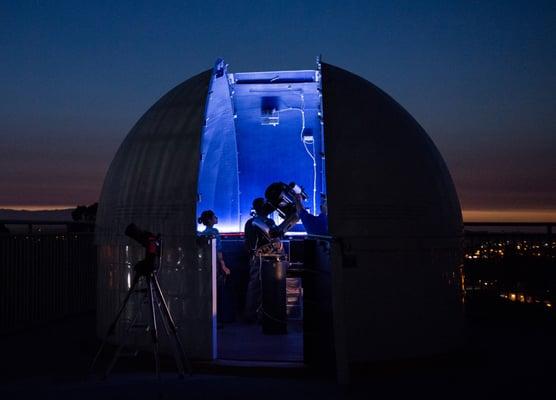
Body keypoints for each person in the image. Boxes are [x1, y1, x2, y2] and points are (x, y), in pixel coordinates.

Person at [198, 210, 230, 276]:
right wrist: (223, 265)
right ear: (210, 220)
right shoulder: (214, 232)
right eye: (214, 217)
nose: (216, 218)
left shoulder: (203, 233)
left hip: (205, 261)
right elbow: (218, 249)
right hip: (214, 260)